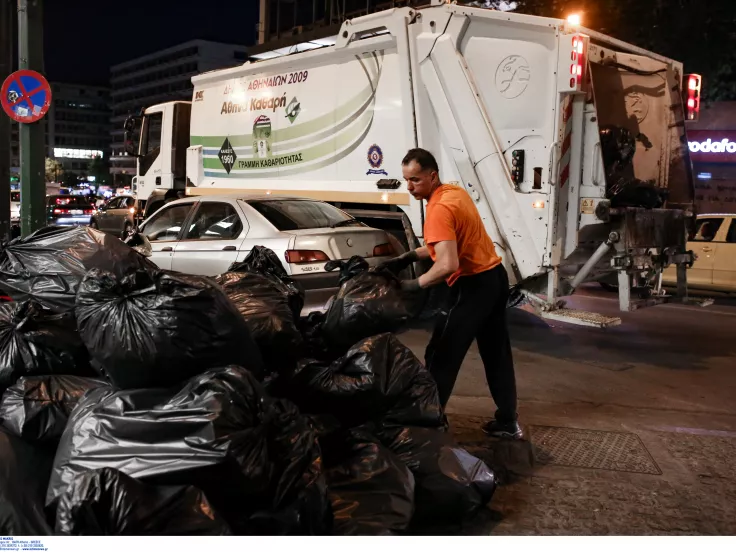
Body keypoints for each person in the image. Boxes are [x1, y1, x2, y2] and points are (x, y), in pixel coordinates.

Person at [378, 148, 522, 440]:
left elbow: (447, 263)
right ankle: (508, 421)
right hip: (494, 279)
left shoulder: (438, 210)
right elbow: (445, 244)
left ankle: (428, 423)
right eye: (406, 180)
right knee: (496, 354)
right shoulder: (454, 193)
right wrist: (407, 257)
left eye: (415, 180)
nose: (409, 187)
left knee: (441, 353)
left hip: (471, 287)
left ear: (432, 176)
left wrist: (411, 286)